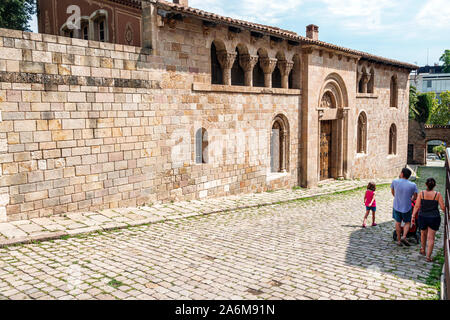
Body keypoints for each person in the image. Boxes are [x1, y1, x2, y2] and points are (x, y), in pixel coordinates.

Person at [412, 178, 445, 262]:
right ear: (435, 186)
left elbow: (416, 206)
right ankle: (428, 257)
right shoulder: (437, 194)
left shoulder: (421, 193)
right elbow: (442, 207)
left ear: (426, 184)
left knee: (423, 234)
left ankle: (423, 249)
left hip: (422, 217)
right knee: (431, 238)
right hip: (434, 217)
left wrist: (413, 216)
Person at [391, 168, 418, 246]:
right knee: (407, 222)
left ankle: (399, 240)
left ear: (402, 174)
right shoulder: (413, 185)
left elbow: (393, 192)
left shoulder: (395, 181)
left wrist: (397, 197)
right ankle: (404, 236)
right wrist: (411, 199)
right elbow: (415, 196)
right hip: (407, 206)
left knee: (398, 222)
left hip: (396, 205)